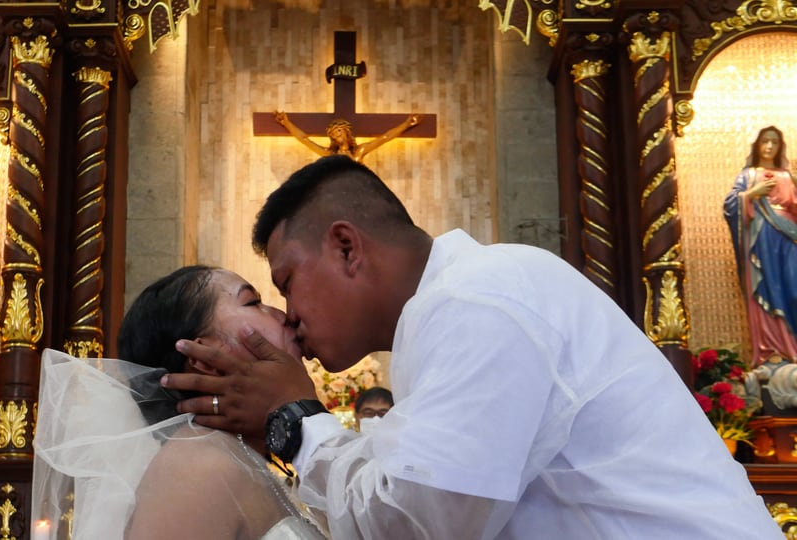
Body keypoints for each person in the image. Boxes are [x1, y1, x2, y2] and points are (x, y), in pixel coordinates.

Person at [162, 155, 782, 539]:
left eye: (286, 283)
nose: (289, 316)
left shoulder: (479, 301)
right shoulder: (455, 311)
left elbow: (417, 527)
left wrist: (297, 421)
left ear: (347, 247)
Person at [32, 266, 326, 540]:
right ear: (202, 357)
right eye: (253, 302)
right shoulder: (200, 463)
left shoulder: (234, 455)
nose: (282, 315)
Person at [723, 125, 797, 367]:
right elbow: (731, 205)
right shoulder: (748, 176)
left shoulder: (787, 176)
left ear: (780, 146)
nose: (769, 147)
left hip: (789, 237)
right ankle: (772, 349)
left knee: (792, 289)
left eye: (774, 142)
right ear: (757, 145)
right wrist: (752, 193)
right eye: (765, 141)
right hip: (761, 237)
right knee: (767, 287)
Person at [274, 111, 419, 162]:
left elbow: (385, 137)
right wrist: (287, 123)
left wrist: (407, 124)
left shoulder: (359, 152)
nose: (336, 135)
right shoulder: (329, 154)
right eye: (333, 134)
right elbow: (305, 139)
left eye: (338, 131)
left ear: (346, 132)